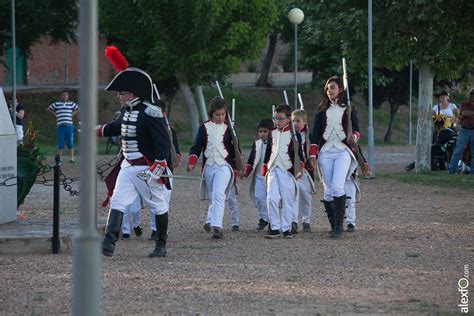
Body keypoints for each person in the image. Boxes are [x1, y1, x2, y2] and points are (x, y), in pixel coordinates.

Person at [98, 67, 171, 258]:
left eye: (120, 93)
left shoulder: (151, 112)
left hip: (146, 168)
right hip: (127, 165)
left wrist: (159, 167)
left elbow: (163, 142)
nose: (118, 97)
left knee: (158, 205)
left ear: (130, 94)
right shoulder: (127, 110)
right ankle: (108, 243)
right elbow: (118, 127)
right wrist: (97, 130)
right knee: (118, 201)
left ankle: (161, 244)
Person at [309, 76, 359, 238]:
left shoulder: (349, 109)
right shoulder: (321, 111)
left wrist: (354, 138)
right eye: (328, 88)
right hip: (325, 152)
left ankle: (339, 225)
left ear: (340, 90)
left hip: (343, 151)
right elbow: (315, 136)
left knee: (338, 186)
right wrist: (313, 154)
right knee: (328, 190)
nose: (329, 91)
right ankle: (333, 225)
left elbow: (357, 130)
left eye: (333, 88)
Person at [186, 96, 239, 240]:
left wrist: (239, 166)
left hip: (225, 166)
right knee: (213, 195)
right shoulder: (204, 127)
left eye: (223, 114)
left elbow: (236, 151)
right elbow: (196, 147)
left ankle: (217, 226)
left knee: (218, 194)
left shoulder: (230, 128)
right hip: (209, 166)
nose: (221, 117)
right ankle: (210, 220)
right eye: (217, 114)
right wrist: (191, 161)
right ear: (211, 114)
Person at [262, 104, 303, 239]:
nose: (277, 121)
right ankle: (274, 227)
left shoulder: (295, 134)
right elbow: (268, 152)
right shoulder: (272, 133)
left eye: (280, 118)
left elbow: (299, 155)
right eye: (275, 118)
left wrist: (298, 169)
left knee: (287, 199)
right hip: (273, 168)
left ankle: (286, 228)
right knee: (271, 198)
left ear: (288, 119)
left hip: (288, 170)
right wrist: (264, 169)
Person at [148, 99, 181, 241]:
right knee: (154, 198)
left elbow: (176, 151)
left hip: (167, 168)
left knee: (165, 198)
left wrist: (176, 156)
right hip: (151, 167)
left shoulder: (170, 129)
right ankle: (154, 229)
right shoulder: (146, 128)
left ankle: (162, 229)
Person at [242, 118, 273, 231]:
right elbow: (251, 160)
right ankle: (263, 218)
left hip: (271, 176)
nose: (262, 134)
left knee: (271, 199)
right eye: (260, 131)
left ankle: (272, 220)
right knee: (259, 198)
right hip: (259, 176)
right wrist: (246, 172)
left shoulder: (275, 143)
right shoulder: (256, 144)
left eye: (265, 131)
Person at [291, 109, 316, 233]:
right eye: (293, 121)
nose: (295, 123)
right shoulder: (289, 135)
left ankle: (306, 221)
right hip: (292, 170)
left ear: (305, 122)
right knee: (293, 196)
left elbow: (313, 150)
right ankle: (293, 221)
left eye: (298, 121)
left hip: (305, 170)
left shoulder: (309, 136)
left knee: (306, 197)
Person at [47, 89, 79, 163]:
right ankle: (60, 158)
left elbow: (78, 109)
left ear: (68, 96)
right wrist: (56, 114)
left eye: (66, 95)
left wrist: (72, 114)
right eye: (63, 95)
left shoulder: (71, 104)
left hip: (69, 126)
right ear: (61, 96)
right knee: (60, 142)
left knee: (70, 142)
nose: (64, 96)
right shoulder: (56, 104)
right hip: (60, 126)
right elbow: (48, 109)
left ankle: (72, 158)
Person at [448, 88, 474, 175]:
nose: (472, 95)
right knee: (458, 151)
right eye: (471, 94)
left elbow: (467, 113)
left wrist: (469, 113)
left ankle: (472, 172)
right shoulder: (464, 103)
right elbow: (464, 113)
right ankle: (452, 171)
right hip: (464, 130)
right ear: (469, 94)